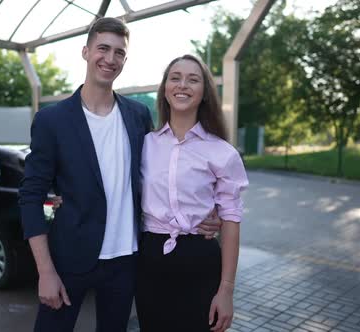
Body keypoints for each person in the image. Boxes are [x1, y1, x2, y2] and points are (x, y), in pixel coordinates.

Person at [18, 18, 220, 332]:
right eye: (103, 49)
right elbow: (30, 197)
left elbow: (164, 175)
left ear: (125, 60)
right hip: (69, 259)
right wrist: (45, 271)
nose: (110, 59)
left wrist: (211, 212)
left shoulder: (137, 115)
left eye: (119, 53)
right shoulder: (51, 120)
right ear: (86, 51)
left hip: (126, 261)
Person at [135, 54, 248, 332]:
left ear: (204, 92)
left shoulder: (223, 153)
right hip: (150, 260)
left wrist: (226, 291)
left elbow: (231, 221)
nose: (182, 85)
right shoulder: (144, 145)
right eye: (175, 78)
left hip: (200, 261)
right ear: (164, 89)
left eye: (193, 79)